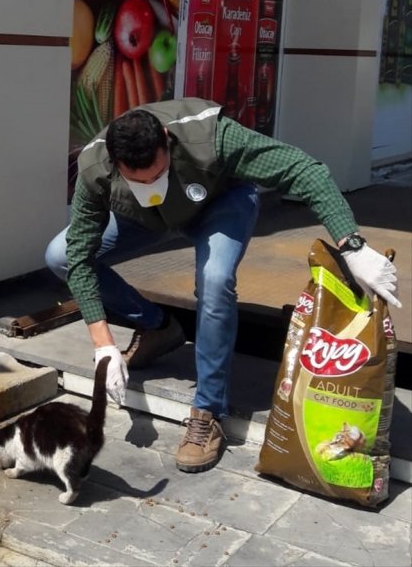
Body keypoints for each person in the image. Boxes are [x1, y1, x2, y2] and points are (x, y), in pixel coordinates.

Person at [45, 98, 401, 473]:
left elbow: (304, 170)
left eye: (157, 173)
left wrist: (353, 245)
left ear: (167, 140)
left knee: (214, 281)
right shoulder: (95, 167)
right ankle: (157, 328)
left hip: (220, 204)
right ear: (117, 165)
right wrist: (103, 344)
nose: (151, 183)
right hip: (145, 217)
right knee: (59, 256)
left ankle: (208, 411)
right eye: (139, 179)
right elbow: (80, 258)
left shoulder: (212, 137)